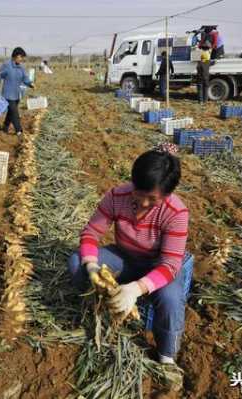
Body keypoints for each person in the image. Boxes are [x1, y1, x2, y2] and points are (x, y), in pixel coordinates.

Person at [67, 150, 189, 372]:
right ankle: (95, 312)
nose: (143, 203)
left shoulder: (176, 212)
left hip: (157, 265)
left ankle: (166, 356)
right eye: (139, 193)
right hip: (124, 257)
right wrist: (92, 265)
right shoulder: (117, 196)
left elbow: (171, 265)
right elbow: (90, 234)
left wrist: (135, 288)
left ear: (167, 194)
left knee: (171, 298)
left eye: (152, 199)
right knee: (77, 263)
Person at [0, 47, 34, 136]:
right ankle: (19, 131)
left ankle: (5, 126)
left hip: (17, 94)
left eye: (23, 58)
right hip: (8, 94)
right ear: (15, 56)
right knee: (15, 112)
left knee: (11, 112)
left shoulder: (21, 67)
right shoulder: (7, 65)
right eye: (21, 57)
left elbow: (25, 78)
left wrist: (30, 84)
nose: (22, 59)